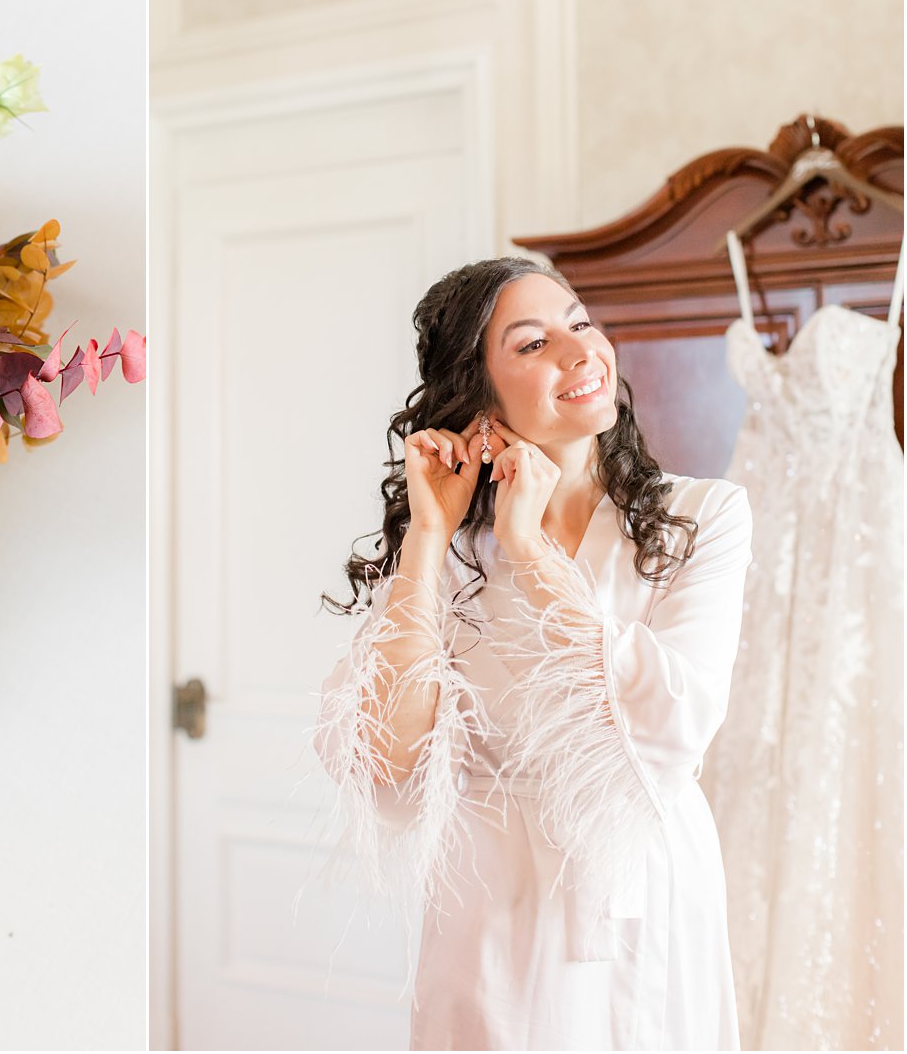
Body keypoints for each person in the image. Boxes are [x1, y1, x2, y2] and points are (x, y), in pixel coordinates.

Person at [314, 256, 753, 1050]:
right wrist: (427, 534)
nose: (580, 351)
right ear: (476, 397)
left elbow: (673, 723)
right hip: (493, 913)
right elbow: (385, 751)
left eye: (581, 322)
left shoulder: (704, 517)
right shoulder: (447, 553)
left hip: (647, 896)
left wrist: (529, 545)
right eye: (532, 344)